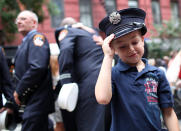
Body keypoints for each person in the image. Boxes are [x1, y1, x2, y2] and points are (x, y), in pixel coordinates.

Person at [95, 8, 180, 131]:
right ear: (114, 49)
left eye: (134, 42)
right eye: (122, 46)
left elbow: (168, 113)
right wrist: (108, 56)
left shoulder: (157, 73)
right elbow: (102, 98)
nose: (131, 49)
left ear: (142, 40)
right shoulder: (111, 74)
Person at [55, 17, 109, 131]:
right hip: (105, 80)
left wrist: (66, 83)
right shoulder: (91, 33)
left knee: (88, 123)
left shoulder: (68, 30)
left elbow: (65, 50)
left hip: (88, 83)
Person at [14, 10, 54, 131]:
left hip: (37, 99)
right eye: (18, 20)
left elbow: (37, 67)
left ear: (34, 23)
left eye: (23, 19)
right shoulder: (25, 42)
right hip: (30, 100)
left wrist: (19, 90)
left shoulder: (37, 38)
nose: (19, 22)